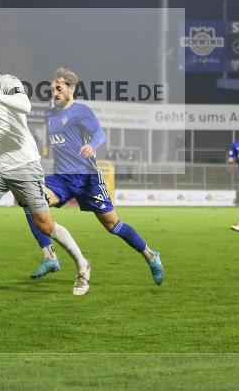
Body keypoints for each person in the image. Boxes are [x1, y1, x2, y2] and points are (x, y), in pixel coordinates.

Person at [0, 43, 91, 295]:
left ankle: (82, 264)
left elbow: (25, 105)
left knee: (45, 225)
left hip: (24, 165)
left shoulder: (8, 82)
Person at [25, 68, 163, 285]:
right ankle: (50, 257)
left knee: (113, 225)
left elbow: (100, 133)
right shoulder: (50, 115)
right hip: (62, 179)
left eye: (59, 88)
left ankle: (151, 255)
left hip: (88, 180)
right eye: (53, 89)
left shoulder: (81, 111)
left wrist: (92, 145)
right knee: (30, 200)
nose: (55, 93)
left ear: (71, 88)